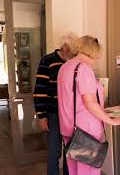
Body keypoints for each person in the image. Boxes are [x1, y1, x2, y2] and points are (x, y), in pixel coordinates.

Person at [57, 35, 120, 175]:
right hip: (86, 131)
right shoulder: (84, 69)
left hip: (68, 128)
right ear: (93, 52)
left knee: (74, 170)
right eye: (98, 55)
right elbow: (90, 103)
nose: (98, 59)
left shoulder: (65, 67)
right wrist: (110, 121)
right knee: (88, 171)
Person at [33, 33, 78, 175]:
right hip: (53, 114)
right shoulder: (48, 60)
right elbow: (39, 90)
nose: (75, 53)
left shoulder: (74, 62)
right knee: (54, 151)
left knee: (70, 150)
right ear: (64, 47)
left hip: (71, 114)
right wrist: (41, 116)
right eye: (73, 49)